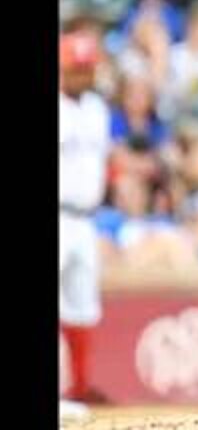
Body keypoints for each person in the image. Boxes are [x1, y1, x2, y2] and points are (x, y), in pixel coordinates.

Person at [59, 32, 112, 407]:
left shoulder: (97, 108)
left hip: (85, 217)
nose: (82, 75)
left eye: (87, 69)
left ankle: (78, 388)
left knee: (82, 305)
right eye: (75, 69)